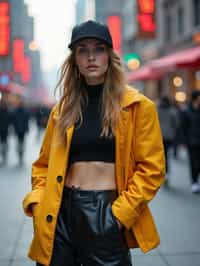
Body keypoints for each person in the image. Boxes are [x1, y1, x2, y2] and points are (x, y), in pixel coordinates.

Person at [22, 20, 165, 266]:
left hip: (106, 213)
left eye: (98, 49)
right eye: (82, 50)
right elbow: (43, 165)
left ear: (109, 55)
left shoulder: (137, 107)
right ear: (74, 60)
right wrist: (38, 203)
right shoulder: (62, 111)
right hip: (59, 213)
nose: (91, 56)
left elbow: (152, 169)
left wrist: (118, 216)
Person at [157, 96, 179, 184]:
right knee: (166, 155)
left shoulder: (157, 110)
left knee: (161, 155)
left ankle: (160, 173)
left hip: (159, 136)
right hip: (169, 136)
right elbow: (177, 123)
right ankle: (166, 173)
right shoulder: (172, 110)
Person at [181, 90, 200, 193]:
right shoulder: (186, 111)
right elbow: (183, 127)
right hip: (191, 142)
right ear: (196, 98)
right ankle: (194, 182)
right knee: (194, 162)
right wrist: (184, 141)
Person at [11, 96, 29, 166]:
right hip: (20, 130)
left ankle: (20, 156)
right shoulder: (19, 111)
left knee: (20, 144)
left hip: (20, 130)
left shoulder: (16, 111)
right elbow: (14, 121)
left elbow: (26, 121)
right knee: (20, 144)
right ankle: (20, 156)